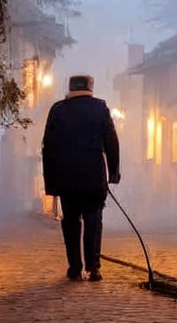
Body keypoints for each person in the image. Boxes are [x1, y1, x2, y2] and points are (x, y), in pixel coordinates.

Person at [42, 74, 120, 282]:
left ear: (70, 88)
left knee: (71, 222)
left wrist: (50, 183)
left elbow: (48, 148)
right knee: (93, 219)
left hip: (66, 177)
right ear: (90, 87)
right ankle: (94, 267)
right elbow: (111, 142)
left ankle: (75, 267)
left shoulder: (58, 110)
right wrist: (113, 172)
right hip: (94, 175)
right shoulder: (100, 108)